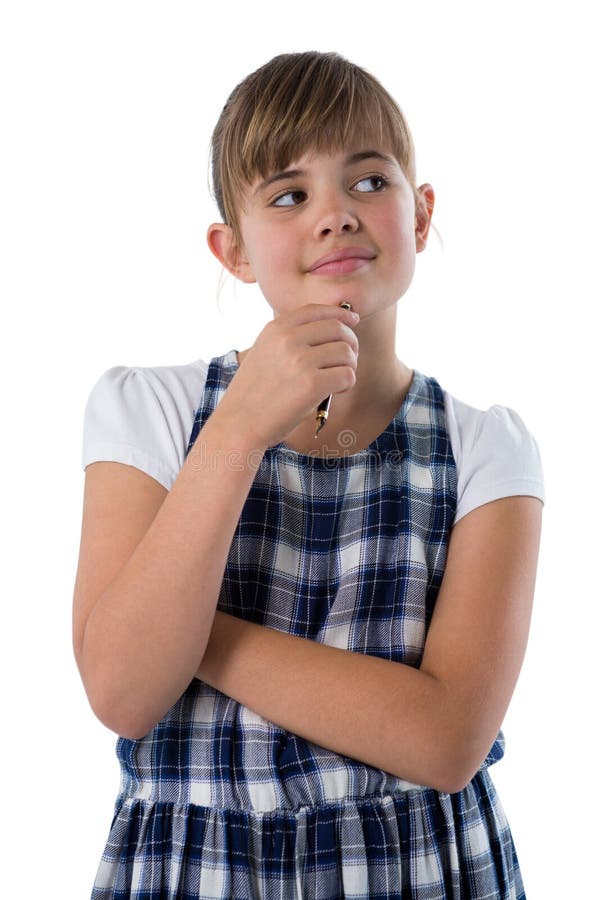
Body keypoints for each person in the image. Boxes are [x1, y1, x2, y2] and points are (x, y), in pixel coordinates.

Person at [74, 51, 545, 899]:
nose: (335, 215)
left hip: (421, 871)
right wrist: (242, 427)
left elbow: (445, 740)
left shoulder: (485, 449)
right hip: (195, 870)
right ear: (235, 251)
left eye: (368, 181)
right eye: (289, 195)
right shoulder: (151, 411)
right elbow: (123, 690)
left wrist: (189, 635)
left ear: (422, 213)